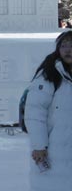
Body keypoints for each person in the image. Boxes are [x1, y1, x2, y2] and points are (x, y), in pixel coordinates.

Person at [24, 30, 72, 191]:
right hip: (56, 150)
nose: (68, 50)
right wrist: (39, 145)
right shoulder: (50, 75)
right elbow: (35, 112)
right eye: (64, 46)